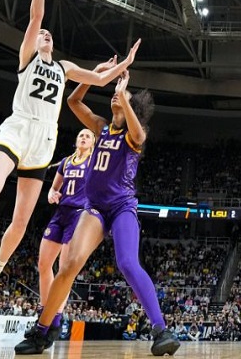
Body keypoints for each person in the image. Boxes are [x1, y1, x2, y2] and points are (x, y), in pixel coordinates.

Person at [0, 0, 141, 307]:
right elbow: (37, 14)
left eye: (48, 34)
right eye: (41, 34)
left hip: (45, 138)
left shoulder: (63, 67)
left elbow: (97, 77)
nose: (45, 34)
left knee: (20, 221)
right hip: (18, 127)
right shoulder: (27, 58)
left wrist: (124, 64)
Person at [14, 72, 179, 356]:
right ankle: (43, 331)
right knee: (69, 266)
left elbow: (139, 134)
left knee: (127, 262)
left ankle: (160, 329)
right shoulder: (101, 127)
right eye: (116, 93)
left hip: (122, 206)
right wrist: (97, 75)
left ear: (131, 107)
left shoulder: (132, 134)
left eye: (123, 94)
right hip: (94, 207)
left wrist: (126, 97)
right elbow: (74, 101)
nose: (116, 93)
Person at [36, 128, 95, 340]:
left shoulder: (95, 161)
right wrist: (52, 193)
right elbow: (54, 188)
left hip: (79, 216)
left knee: (64, 270)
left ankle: (56, 317)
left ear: (93, 142)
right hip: (60, 213)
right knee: (43, 264)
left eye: (88, 136)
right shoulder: (67, 161)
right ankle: (44, 310)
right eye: (81, 134)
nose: (84, 137)